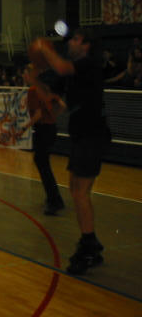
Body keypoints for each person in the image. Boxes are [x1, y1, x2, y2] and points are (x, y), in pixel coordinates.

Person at [31, 28, 110, 275]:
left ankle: (88, 245)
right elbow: (53, 101)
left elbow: (62, 67)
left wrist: (43, 48)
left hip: (92, 135)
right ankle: (90, 241)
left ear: (86, 45)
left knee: (80, 192)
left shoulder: (88, 65)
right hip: (81, 136)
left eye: (76, 39)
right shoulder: (73, 73)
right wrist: (33, 80)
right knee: (76, 189)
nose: (70, 43)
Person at [19, 64, 66, 215]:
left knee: (42, 163)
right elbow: (61, 105)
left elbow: (38, 115)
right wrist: (52, 117)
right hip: (51, 129)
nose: (23, 76)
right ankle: (54, 198)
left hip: (43, 130)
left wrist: (23, 128)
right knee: (43, 162)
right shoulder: (44, 88)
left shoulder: (33, 90)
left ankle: (54, 201)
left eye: (25, 74)